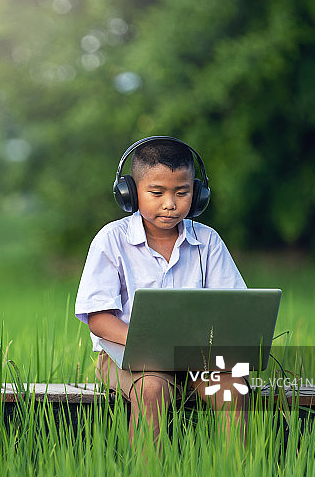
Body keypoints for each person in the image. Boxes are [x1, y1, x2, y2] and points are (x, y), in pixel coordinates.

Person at [74, 136, 248, 446]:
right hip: (130, 356)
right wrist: (152, 343)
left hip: (198, 357)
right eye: (156, 192)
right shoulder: (111, 240)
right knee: (151, 388)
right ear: (130, 193)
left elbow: (234, 307)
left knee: (232, 386)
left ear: (197, 195)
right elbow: (99, 319)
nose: (170, 203)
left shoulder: (208, 242)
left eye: (182, 193)